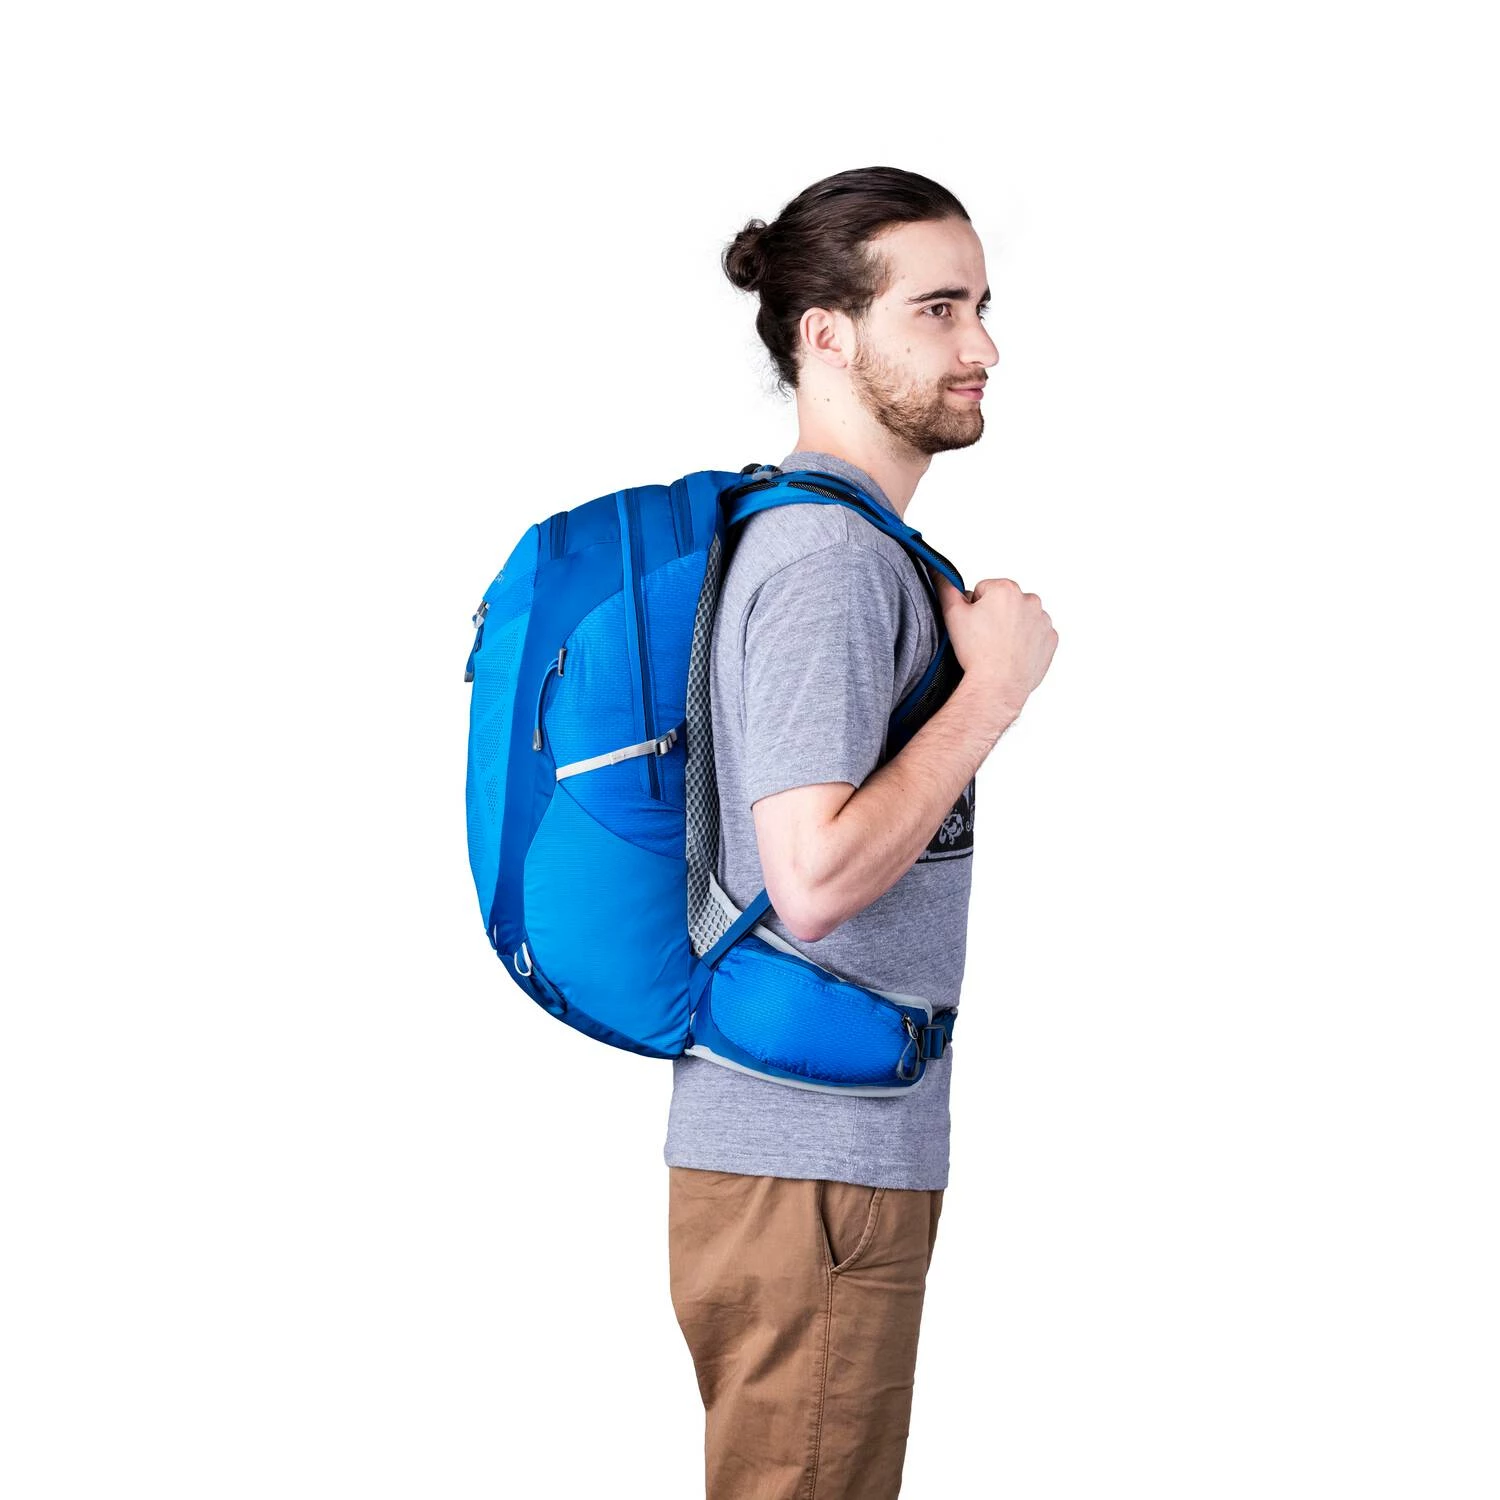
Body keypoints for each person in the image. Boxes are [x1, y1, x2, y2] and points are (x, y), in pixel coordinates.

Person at [664, 166, 1058, 1497]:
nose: (981, 345)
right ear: (825, 335)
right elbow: (814, 875)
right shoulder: (828, 564)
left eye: (982, 306)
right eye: (937, 309)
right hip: (811, 1170)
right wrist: (993, 695)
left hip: (814, 1160)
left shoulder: (848, 548)